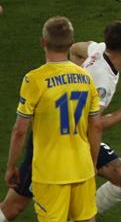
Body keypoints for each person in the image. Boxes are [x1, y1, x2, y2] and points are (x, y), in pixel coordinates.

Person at [0, 20, 121, 220]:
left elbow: (79, 49)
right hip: (52, 144)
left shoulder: (99, 50)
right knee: (13, 207)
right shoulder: (98, 82)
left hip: (74, 139)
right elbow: (93, 125)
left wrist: (69, 72)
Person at [3, 16, 102, 222]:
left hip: (50, 173)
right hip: (82, 167)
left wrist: (11, 166)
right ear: (72, 42)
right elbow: (96, 126)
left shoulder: (34, 80)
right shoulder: (86, 78)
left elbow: (20, 130)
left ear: (43, 42)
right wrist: (92, 161)